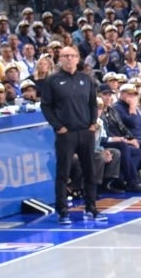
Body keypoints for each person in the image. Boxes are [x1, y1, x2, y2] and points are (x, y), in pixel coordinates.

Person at [38, 44, 102, 220]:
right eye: (65, 56)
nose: (69, 59)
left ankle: (91, 207)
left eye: (72, 56)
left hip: (86, 132)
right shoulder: (53, 80)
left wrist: (92, 124)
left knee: (90, 171)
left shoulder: (86, 79)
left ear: (77, 58)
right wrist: (58, 126)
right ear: (60, 59)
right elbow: (45, 106)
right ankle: (63, 210)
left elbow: (93, 103)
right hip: (66, 133)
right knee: (63, 172)